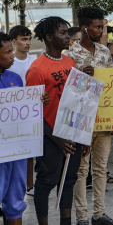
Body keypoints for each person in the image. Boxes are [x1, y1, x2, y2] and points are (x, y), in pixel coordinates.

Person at [26, 16, 85, 225]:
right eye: (63, 32)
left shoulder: (70, 62)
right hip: (49, 137)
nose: (68, 36)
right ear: (50, 37)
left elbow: (78, 101)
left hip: (71, 133)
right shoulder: (37, 69)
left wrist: (82, 137)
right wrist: (56, 139)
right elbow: (32, 113)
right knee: (45, 182)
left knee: (68, 181)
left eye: (67, 31)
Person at [64, 7, 113, 225]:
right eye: (97, 27)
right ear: (85, 28)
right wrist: (79, 76)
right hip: (81, 122)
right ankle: (81, 217)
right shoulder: (69, 55)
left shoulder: (105, 52)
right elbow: (67, 92)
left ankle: (99, 213)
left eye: (102, 26)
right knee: (81, 170)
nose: (101, 30)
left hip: (104, 119)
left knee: (101, 169)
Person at [0, 31, 49, 225]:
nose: (12, 56)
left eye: (12, 51)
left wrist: (38, 101)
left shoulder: (15, 78)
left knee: (15, 200)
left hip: (17, 151)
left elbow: (24, 110)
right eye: (7, 52)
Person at [8, 25, 37, 196]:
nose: (27, 43)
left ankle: (30, 185)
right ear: (14, 41)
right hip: (10, 114)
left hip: (30, 113)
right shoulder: (9, 63)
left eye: (29, 39)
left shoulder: (34, 61)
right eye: (23, 39)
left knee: (30, 152)